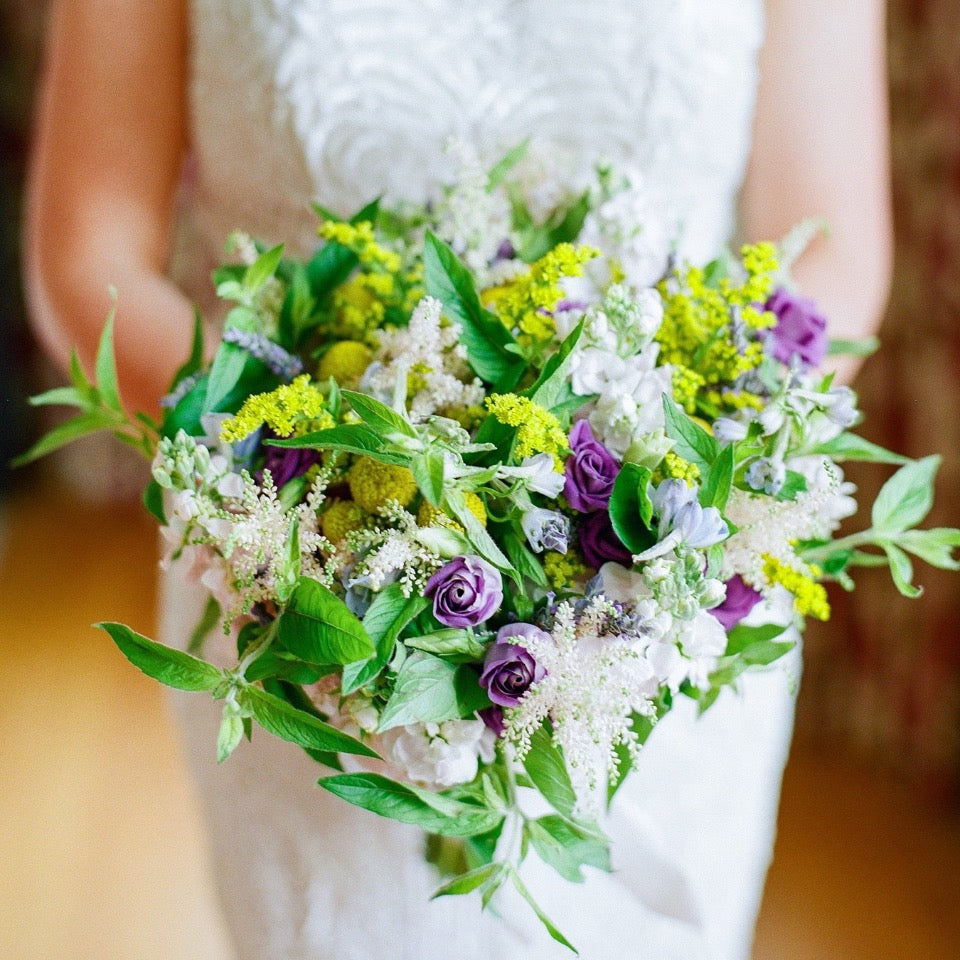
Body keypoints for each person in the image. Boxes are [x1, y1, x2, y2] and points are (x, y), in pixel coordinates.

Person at [24, 1, 891, 957]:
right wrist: (295, 494)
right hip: (302, 593)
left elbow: (831, 251)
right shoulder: (295, 535)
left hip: (657, 615)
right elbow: (88, 256)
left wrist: (654, 487)